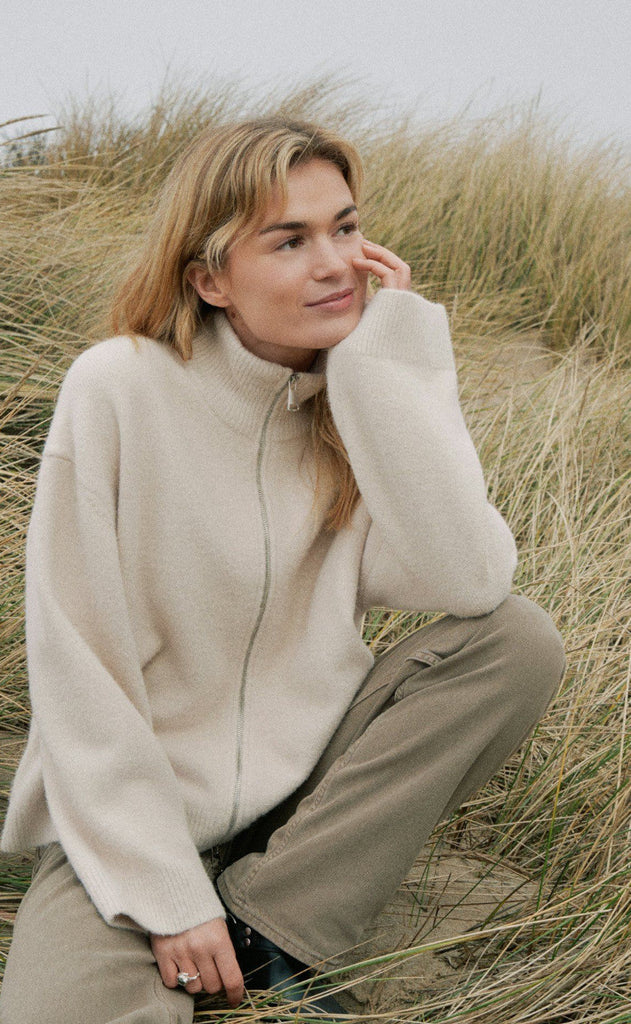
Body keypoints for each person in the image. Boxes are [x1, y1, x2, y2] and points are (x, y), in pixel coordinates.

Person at [0, 117, 566, 1023]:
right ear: (209, 278)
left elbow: (470, 581)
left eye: (345, 228)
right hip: (139, 818)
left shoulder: (357, 402)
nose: (336, 263)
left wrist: (386, 366)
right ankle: (218, 922)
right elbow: (79, 667)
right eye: (290, 240)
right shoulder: (119, 388)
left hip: (308, 805)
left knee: (516, 641)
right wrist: (169, 895)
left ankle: (274, 931)